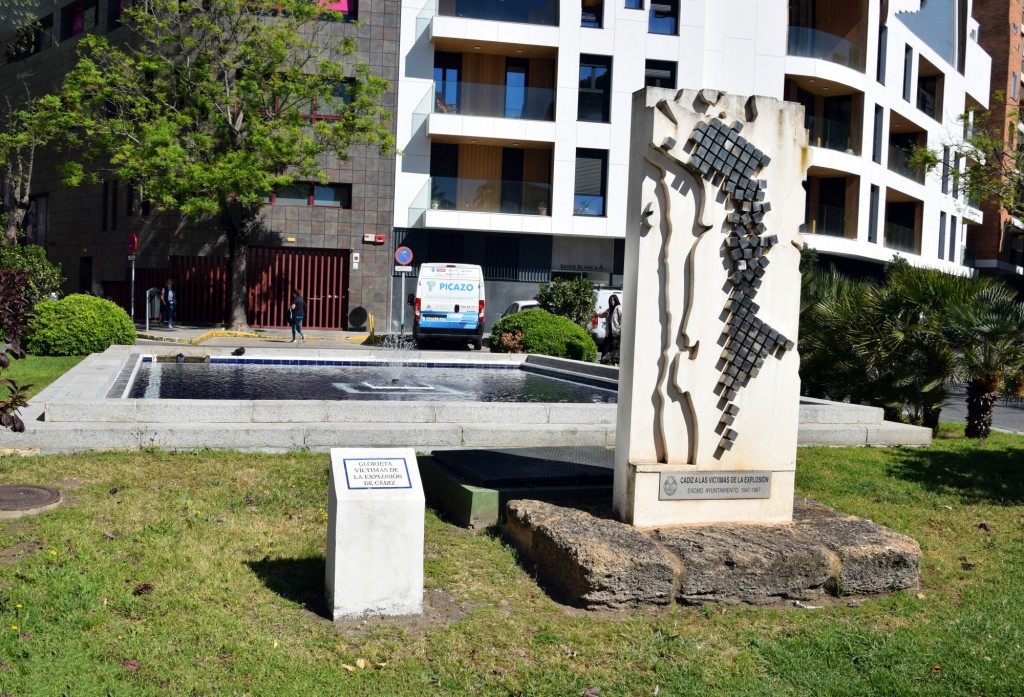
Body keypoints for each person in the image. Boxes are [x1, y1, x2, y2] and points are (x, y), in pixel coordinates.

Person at [600, 294, 622, 364]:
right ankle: (604, 362)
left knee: (613, 349)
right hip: (609, 332)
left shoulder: (618, 308)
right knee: (605, 348)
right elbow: (601, 315)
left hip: (615, 332)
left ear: (616, 300)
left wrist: (619, 327)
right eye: (610, 300)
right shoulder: (609, 310)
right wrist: (601, 314)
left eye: (613, 300)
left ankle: (611, 362)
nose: (612, 301)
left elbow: (622, 318)